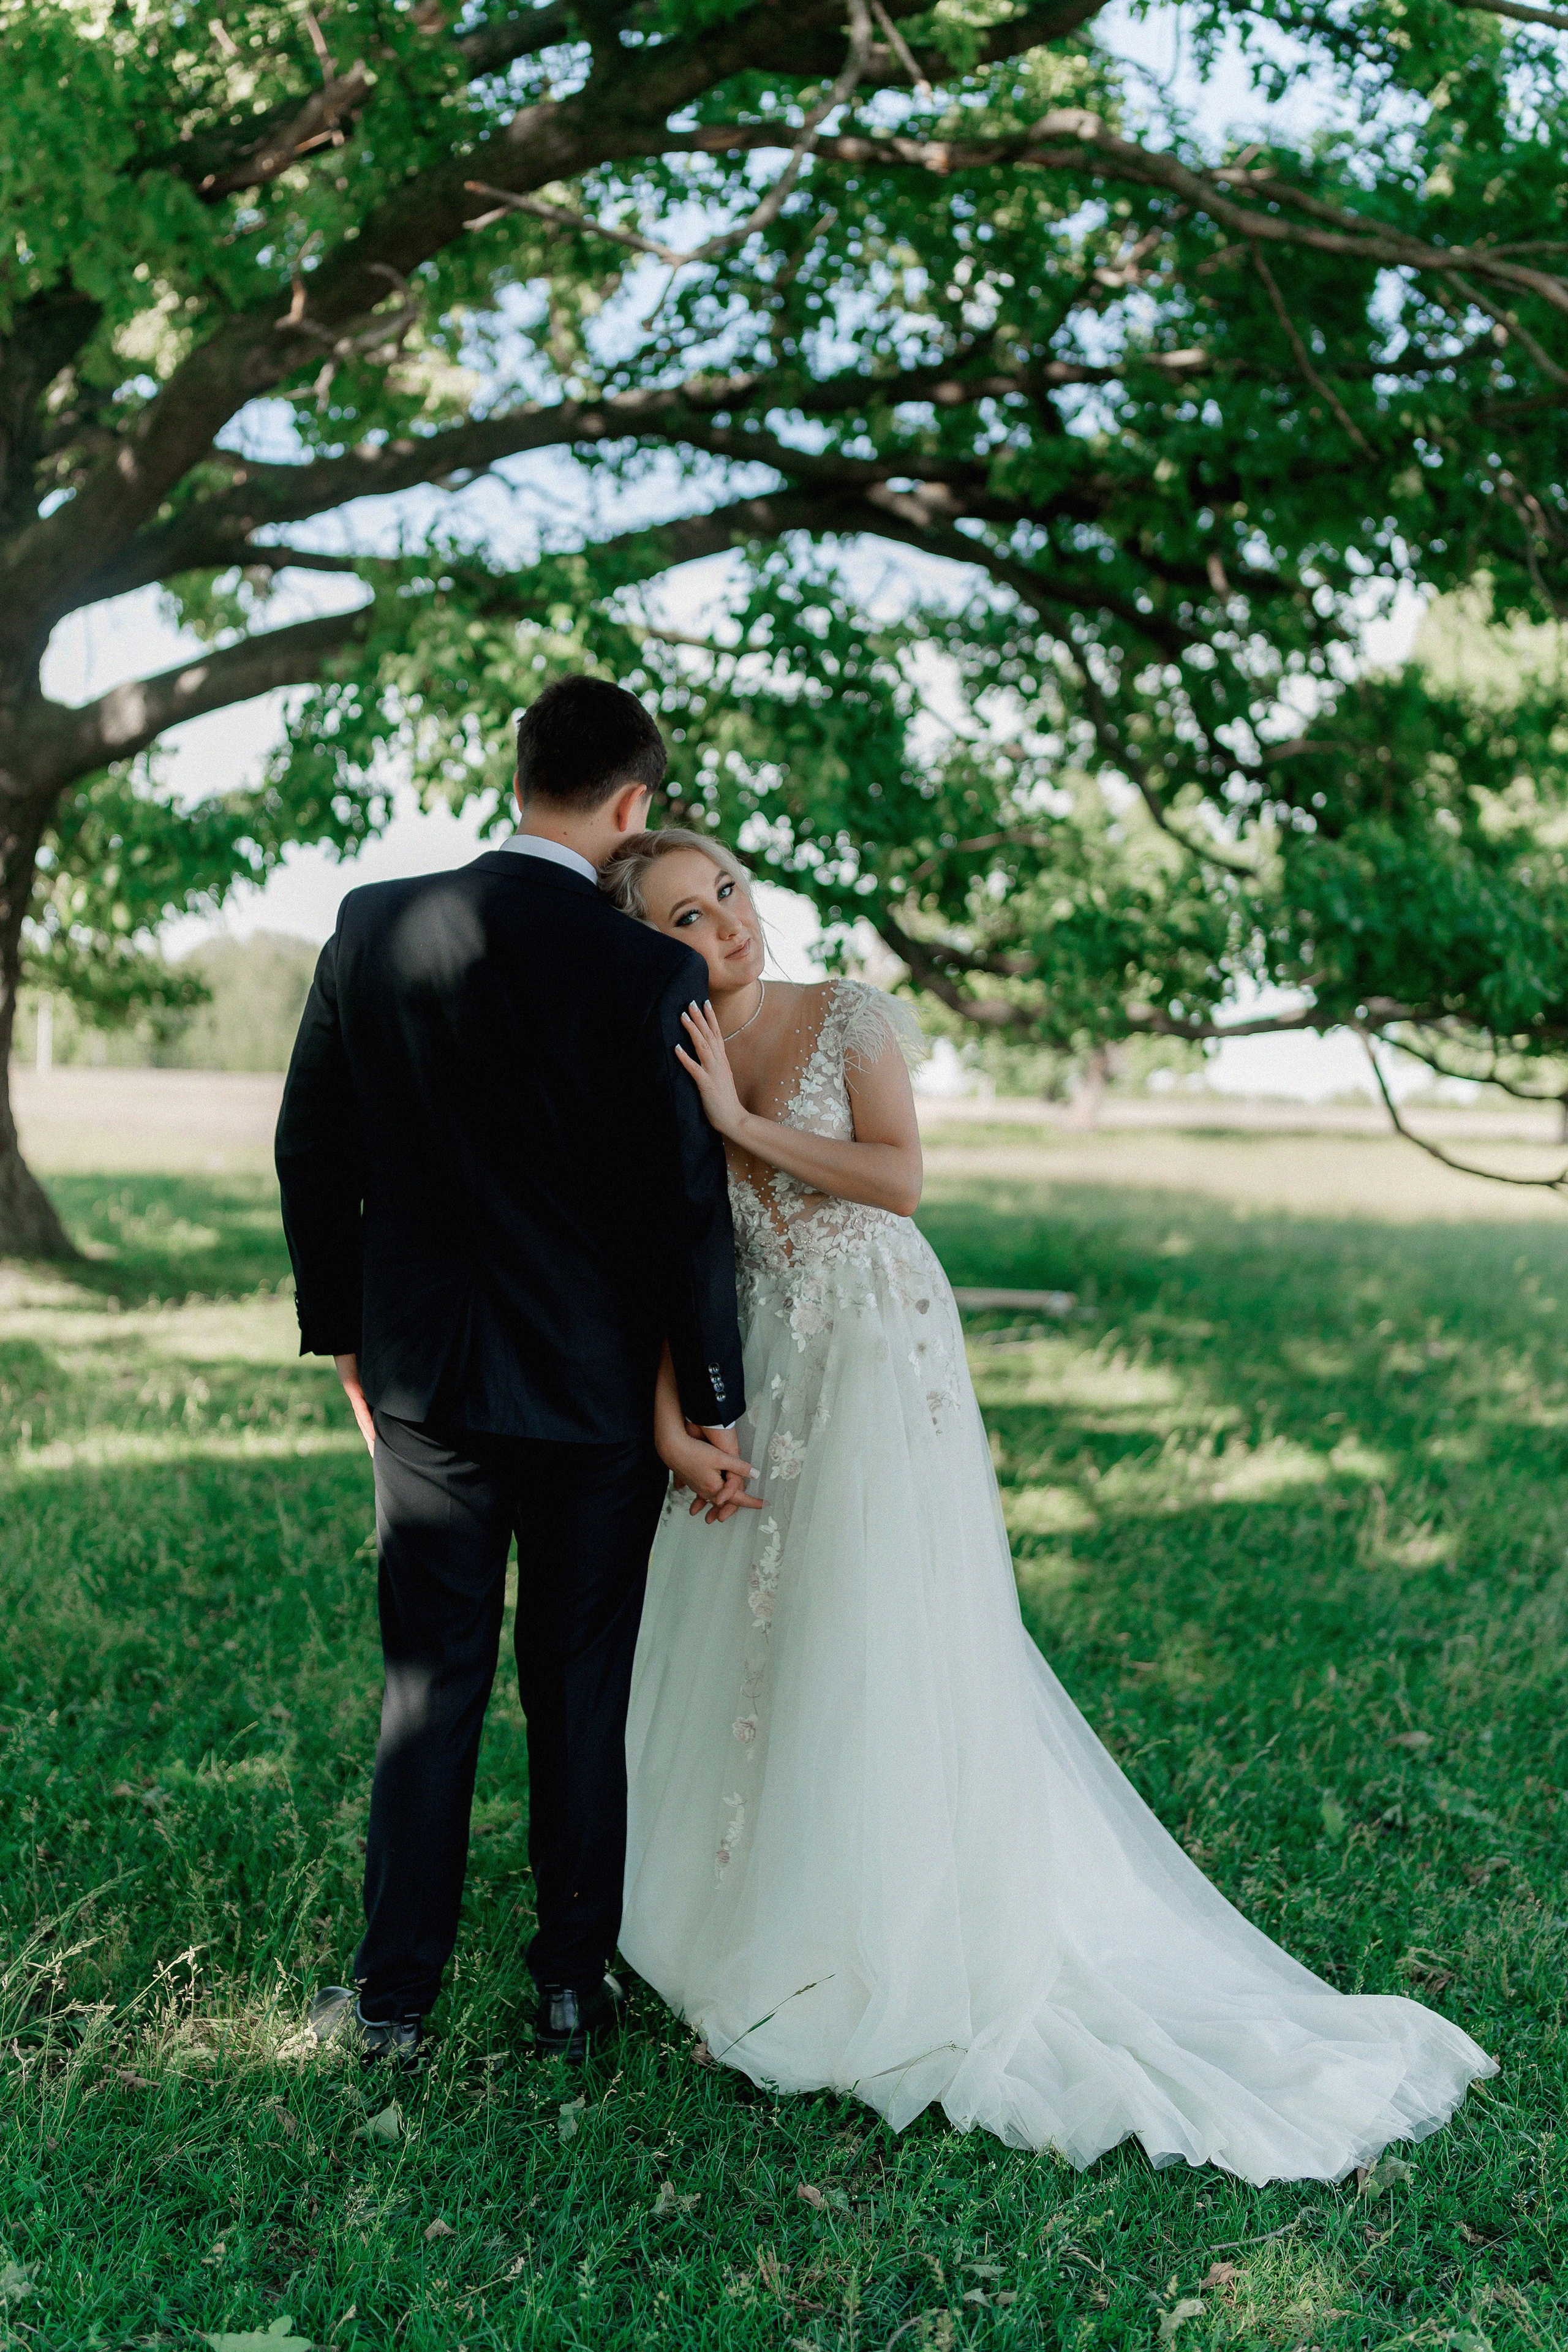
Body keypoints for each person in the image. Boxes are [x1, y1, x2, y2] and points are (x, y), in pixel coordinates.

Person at [601, 825, 1497, 2184]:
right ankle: (748, 1915)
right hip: (770, 1368)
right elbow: (669, 1255)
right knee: (753, 1631)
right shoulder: (659, 1056)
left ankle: (895, 1920)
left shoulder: (851, 1013)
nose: (722, 921)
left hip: (881, 1352)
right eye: (681, 915)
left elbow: (898, 1180)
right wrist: (675, 1421)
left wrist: (740, 1123)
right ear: (643, 945)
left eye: (726, 887)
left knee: (874, 1626)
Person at [274, 680, 752, 2071]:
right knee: (577, 1684)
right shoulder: (644, 971)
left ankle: (391, 2003)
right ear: (628, 809)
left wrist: (345, 1335)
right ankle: (565, 1987)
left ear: (522, 774)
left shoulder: (373, 922)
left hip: (425, 1378)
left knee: (430, 1683)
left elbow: (315, 1151)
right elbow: (683, 1207)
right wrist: (709, 1398)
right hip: (596, 1396)